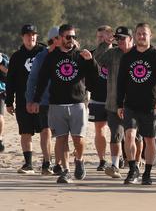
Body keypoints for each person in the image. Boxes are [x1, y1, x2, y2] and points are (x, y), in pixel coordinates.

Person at [33, 24, 98, 184]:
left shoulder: (80, 56)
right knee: (60, 140)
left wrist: (91, 61)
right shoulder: (51, 57)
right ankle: (65, 170)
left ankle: (80, 159)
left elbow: (94, 79)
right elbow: (41, 80)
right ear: (60, 38)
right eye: (68, 37)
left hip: (77, 104)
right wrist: (36, 99)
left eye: (74, 37)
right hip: (56, 104)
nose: (71, 40)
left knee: (78, 139)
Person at [116, 23, 156, 185]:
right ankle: (133, 169)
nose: (141, 36)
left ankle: (147, 172)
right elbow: (121, 83)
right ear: (135, 35)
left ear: (150, 36)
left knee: (150, 139)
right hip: (131, 105)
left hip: (150, 105)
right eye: (139, 34)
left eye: (144, 34)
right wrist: (119, 104)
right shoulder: (127, 56)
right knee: (129, 136)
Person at [95, 26, 140, 179]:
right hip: (113, 103)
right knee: (115, 136)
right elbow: (98, 59)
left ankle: (136, 164)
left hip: (134, 104)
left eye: (123, 38)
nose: (120, 41)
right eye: (117, 38)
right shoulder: (113, 54)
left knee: (134, 136)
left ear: (131, 39)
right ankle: (115, 166)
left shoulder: (139, 54)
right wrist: (106, 43)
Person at [5, 24, 49, 174]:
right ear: (22, 37)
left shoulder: (44, 53)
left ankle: (46, 163)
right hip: (23, 100)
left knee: (45, 130)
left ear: (37, 36)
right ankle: (28, 164)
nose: (31, 37)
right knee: (25, 131)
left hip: (43, 99)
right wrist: (9, 101)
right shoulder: (16, 57)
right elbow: (10, 80)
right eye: (28, 35)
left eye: (33, 34)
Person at [25, 27, 66, 175]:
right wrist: (30, 100)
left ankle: (59, 164)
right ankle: (46, 162)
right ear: (54, 39)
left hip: (63, 100)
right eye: (61, 37)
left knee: (61, 134)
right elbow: (32, 79)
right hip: (44, 100)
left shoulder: (67, 54)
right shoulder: (41, 57)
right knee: (46, 131)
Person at [89, 25, 113, 172]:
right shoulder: (92, 54)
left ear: (110, 37)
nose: (100, 40)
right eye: (98, 37)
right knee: (99, 129)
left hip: (115, 98)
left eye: (103, 37)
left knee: (118, 129)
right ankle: (102, 160)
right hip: (97, 97)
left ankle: (120, 157)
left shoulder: (119, 52)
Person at [0, 51, 8, 153]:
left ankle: (0, 138)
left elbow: (8, 71)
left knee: (0, 117)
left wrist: (1, 62)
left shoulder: (3, 57)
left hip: (0, 92)